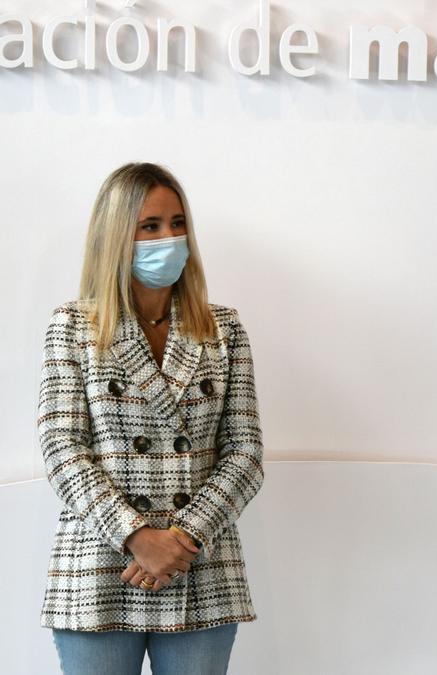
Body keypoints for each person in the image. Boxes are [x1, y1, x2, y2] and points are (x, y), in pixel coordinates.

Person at [38, 163, 264, 675]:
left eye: (178, 222)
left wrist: (180, 539)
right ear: (117, 235)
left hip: (198, 565)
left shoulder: (222, 328)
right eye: (151, 226)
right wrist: (139, 538)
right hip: (101, 563)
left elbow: (245, 453)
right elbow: (62, 447)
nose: (170, 237)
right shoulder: (74, 326)